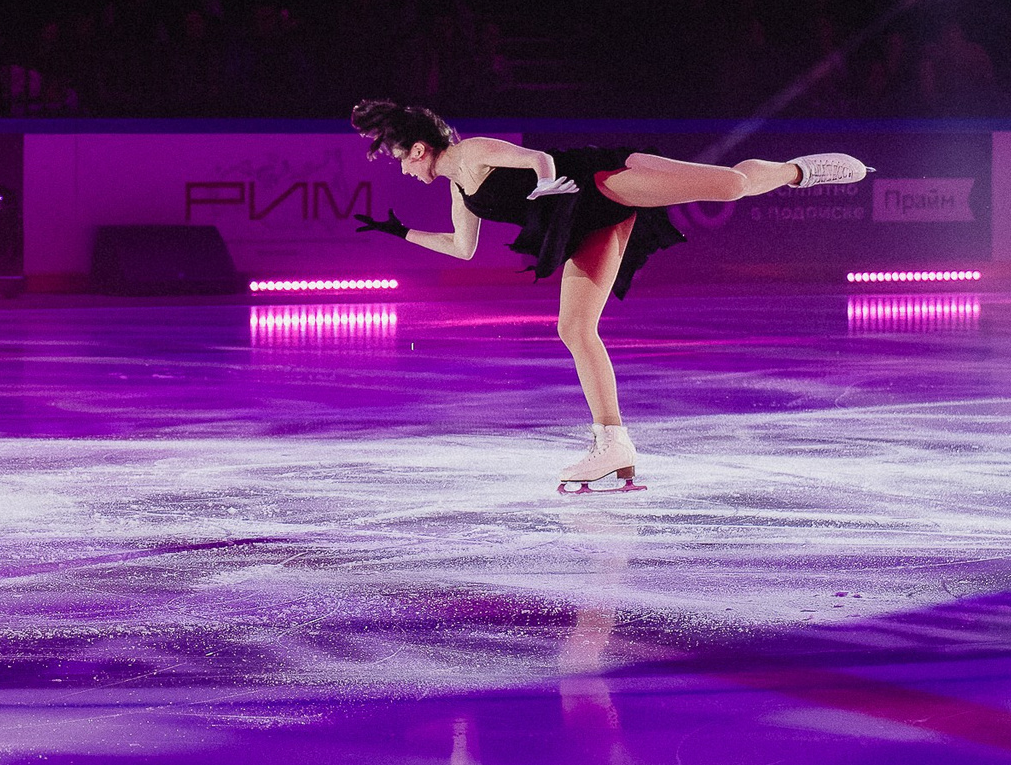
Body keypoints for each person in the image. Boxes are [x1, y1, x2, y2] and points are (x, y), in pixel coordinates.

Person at [348, 98, 868, 492]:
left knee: (730, 185)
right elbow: (463, 249)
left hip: (602, 180)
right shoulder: (459, 187)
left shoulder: (471, 153)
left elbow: (537, 157)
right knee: (573, 328)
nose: (402, 169)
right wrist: (401, 234)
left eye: (399, 159)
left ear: (418, 148)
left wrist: (548, 183)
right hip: (583, 221)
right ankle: (612, 441)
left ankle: (803, 171)